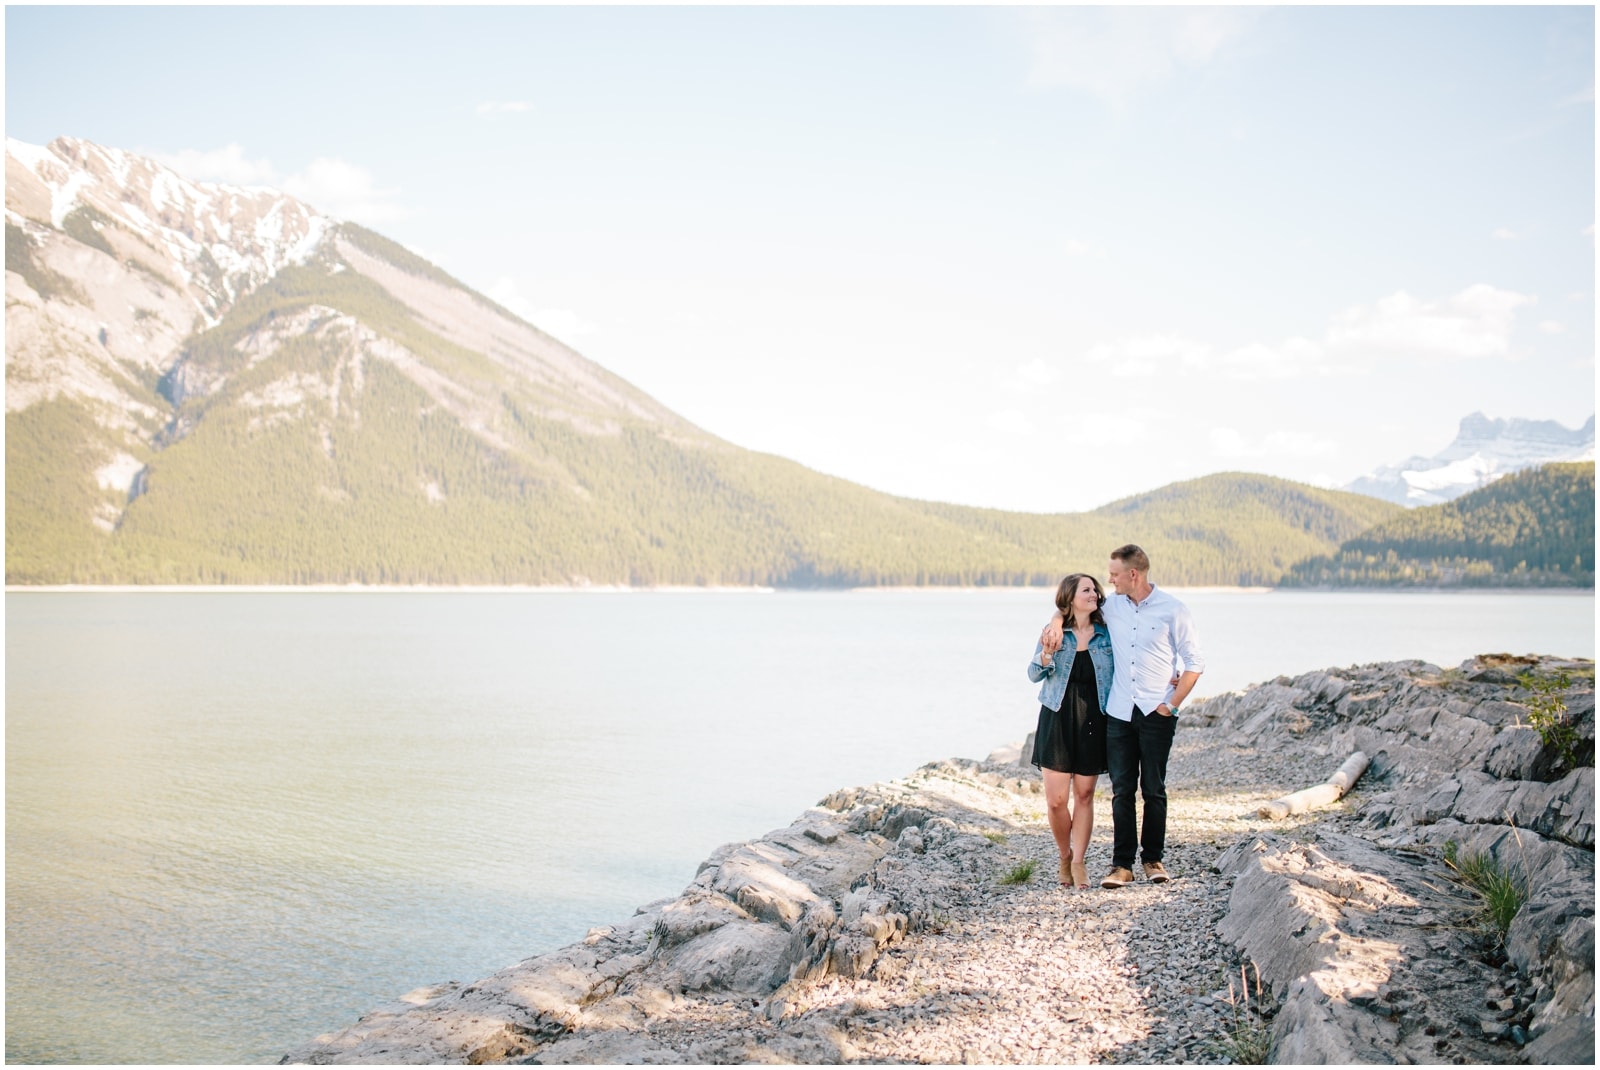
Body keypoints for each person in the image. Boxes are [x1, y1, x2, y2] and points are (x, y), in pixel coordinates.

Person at [1041, 544, 1204, 889]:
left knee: (1154, 789)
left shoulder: (1173, 610)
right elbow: (1072, 613)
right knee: (1121, 791)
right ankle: (1122, 865)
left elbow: (1194, 663)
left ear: (1133, 574)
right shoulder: (1110, 606)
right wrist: (1056, 620)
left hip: (1156, 711)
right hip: (1117, 712)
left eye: (1114, 574)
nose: (1108, 581)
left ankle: (1153, 859)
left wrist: (1172, 704)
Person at [1027, 573, 1112, 890]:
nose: (1094, 594)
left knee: (1085, 795)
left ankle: (1078, 862)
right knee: (1056, 801)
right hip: (1057, 718)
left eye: (1095, 589)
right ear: (1070, 597)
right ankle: (1064, 854)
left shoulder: (1106, 634)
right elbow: (1034, 673)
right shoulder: (1054, 632)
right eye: (1086, 590)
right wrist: (1048, 652)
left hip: (1094, 719)